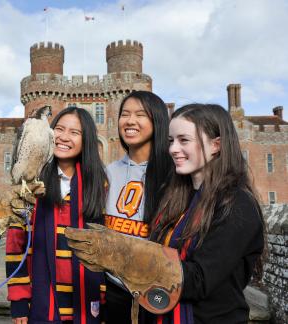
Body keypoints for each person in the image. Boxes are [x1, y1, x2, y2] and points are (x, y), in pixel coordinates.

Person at [65, 104, 265, 324]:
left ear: (215, 145)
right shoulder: (177, 196)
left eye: (184, 140)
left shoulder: (238, 204)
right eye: (171, 141)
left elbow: (199, 280)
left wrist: (121, 254)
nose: (173, 149)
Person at [6, 107, 108, 324]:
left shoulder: (100, 187)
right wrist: (19, 303)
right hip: (43, 303)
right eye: (59, 129)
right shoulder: (31, 187)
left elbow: (105, 252)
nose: (63, 137)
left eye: (74, 132)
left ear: (87, 140)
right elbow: (16, 246)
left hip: (89, 305)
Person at [103, 91, 173, 323]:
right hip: (113, 287)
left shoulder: (173, 174)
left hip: (157, 291)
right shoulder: (109, 172)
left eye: (140, 115)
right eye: (125, 114)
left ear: (158, 121)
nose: (130, 121)